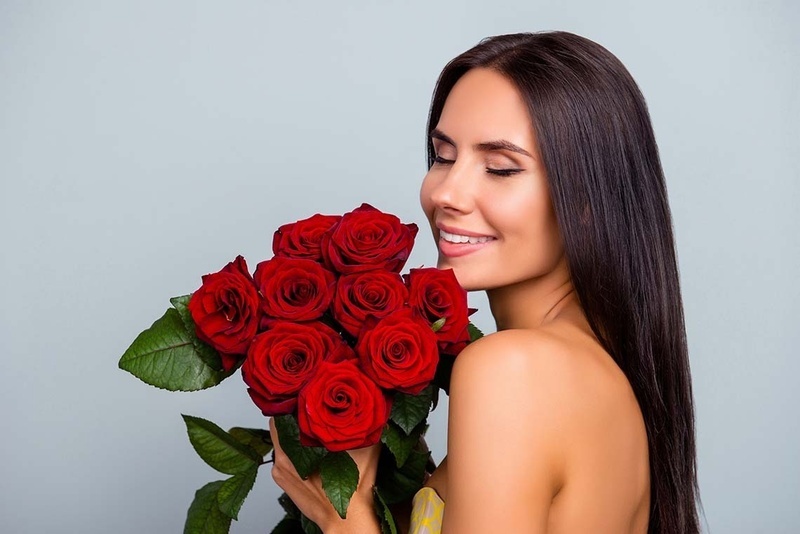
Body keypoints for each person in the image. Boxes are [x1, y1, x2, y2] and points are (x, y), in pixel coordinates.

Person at [268, 30, 701, 533]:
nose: (447, 193)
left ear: (587, 204)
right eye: (444, 156)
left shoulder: (510, 370)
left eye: (499, 168)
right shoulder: (597, 369)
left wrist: (342, 520)